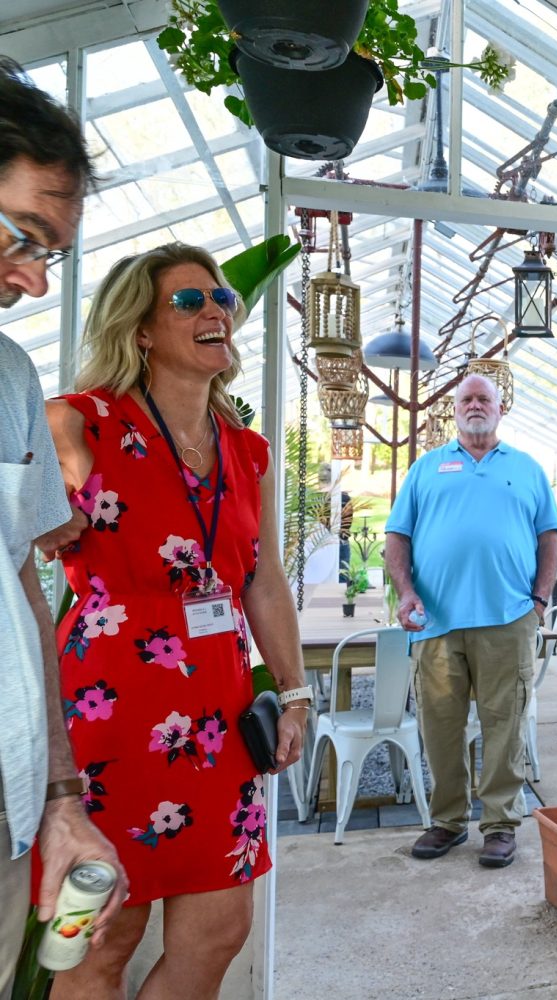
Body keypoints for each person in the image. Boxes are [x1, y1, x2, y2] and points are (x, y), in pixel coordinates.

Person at [41, 242, 309, 998]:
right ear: (142, 331)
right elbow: (36, 450)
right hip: (109, 713)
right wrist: (53, 457)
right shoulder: (82, 422)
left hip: (218, 715)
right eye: (189, 301)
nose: (216, 310)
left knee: (221, 926)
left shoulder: (246, 451)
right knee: (99, 936)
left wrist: (293, 691)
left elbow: (260, 577)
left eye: (221, 298)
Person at [0, 58, 126, 996]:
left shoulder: (8, 378)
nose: (35, 282)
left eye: (52, 254)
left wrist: (57, 798)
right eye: (24, 237)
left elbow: (25, 594)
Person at [386, 373, 557, 868]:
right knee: (440, 726)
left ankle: (501, 824)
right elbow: (397, 538)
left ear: (501, 409)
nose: (475, 404)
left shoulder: (527, 469)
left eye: (485, 397)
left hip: (508, 619)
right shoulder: (425, 469)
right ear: (455, 410)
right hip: (437, 623)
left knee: (503, 726)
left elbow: (550, 537)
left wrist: (540, 600)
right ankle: (446, 822)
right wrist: (405, 592)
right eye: (467, 398)